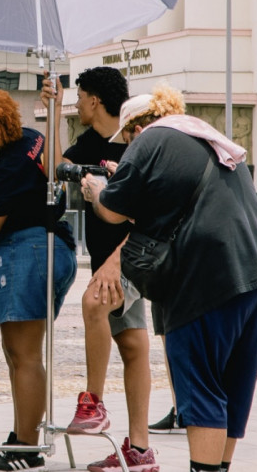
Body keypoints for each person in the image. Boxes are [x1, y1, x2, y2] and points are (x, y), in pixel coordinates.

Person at [80, 85, 257, 472]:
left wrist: (96, 191)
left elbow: (112, 211)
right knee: (230, 393)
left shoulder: (150, 140)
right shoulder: (206, 135)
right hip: (256, 280)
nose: (126, 145)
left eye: (125, 137)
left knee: (203, 391)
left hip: (201, 283)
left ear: (137, 127)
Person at [41, 67, 158, 472]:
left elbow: (151, 219)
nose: (77, 104)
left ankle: (93, 404)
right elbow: (51, 170)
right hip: (109, 255)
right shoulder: (89, 142)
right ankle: (140, 451)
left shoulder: (138, 144)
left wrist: (112, 263)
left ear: (94, 99)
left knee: (93, 303)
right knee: (132, 345)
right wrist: (54, 111)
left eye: (78, 98)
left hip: (134, 252)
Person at [0, 87, 77, 471]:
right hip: (54, 247)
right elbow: (57, 164)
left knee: (23, 356)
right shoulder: (32, 139)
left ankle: (26, 446)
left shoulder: (8, 166)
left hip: (27, 252)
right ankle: (22, 438)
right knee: (23, 354)